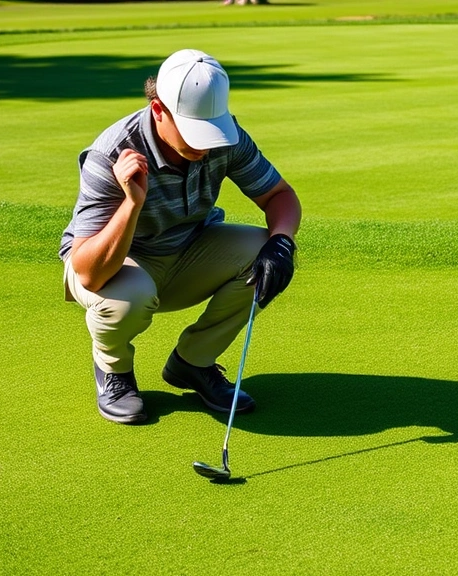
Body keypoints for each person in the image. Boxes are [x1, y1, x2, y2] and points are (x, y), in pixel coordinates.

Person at [59, 49, 301, 424]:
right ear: (159, 110)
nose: (203, 145)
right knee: (127, 299)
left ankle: (193, 363)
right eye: (193, 131)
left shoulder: (227, 137)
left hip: (189, 252)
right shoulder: (111, 153)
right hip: (119, 266)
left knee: (265, 253)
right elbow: (88, 271)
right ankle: (114, 372)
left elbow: (279, 195)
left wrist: (282, 242)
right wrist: (132, 203)